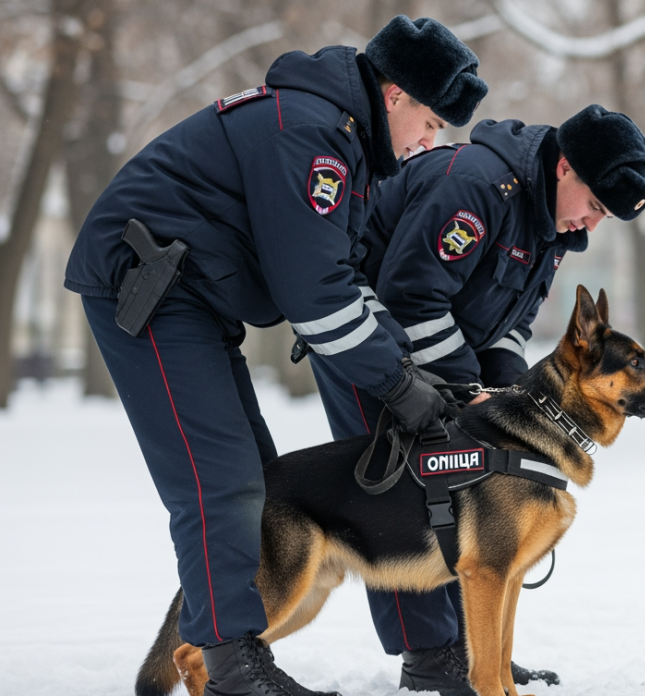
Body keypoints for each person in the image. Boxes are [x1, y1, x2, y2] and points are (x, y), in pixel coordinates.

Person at [63, 16, 487, 696]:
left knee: (259, 486)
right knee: (221, 484)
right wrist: (399, 385)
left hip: (194, 297)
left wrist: (409, 371)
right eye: (433, 124)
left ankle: (230, 655)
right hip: (146, 286)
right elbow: (315, 296)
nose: (428, 144)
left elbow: (343, 276)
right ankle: (232, 669)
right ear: (396, 95)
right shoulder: (313, 137)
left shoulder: (342, 139)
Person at [308, 104, 645, 694]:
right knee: (401, 490)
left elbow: (511, 325)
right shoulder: (478, 188)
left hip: (440, 354)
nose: (590, 226)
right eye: (595, 207)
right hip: (370, 345)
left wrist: (503, 387)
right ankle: (430, 656)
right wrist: (467, 386)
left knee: (469, 494)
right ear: (566, 167)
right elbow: (411, 295)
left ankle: (478, 654)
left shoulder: (552, 225)